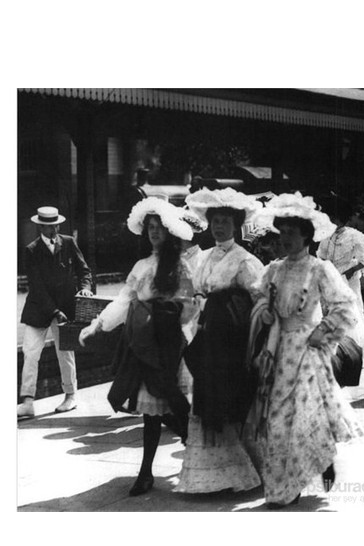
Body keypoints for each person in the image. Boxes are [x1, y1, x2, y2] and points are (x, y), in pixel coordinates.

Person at [248, 193, 360, 508]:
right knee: (277, 420)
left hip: (309, 352)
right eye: (281, 232)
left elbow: (344, 307)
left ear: (307, 236)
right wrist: (265, 312)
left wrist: (321, 332)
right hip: (278, 349)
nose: (284, 238)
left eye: (292, 233)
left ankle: (309, 471)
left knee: (304, 416)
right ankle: (284, 484)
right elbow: (259, 300)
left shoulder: (320, 269)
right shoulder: (273, 269)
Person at [79, 197, 197, 496]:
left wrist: (175, 322)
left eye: (159, 227)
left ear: (169, 231)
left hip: (169, 342)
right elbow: (124, 300)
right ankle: (146, 472)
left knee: (170, 399)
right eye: (150, 228)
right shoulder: (142, 265)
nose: (154, 232)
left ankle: (193, 445)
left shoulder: (180, 266)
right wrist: (98, 325)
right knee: (152, 412)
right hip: (144, 341)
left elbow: (190, 307)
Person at [175, 187, 264, 494]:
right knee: (206, 399)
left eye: (225, 221)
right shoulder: (203, 258)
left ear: (236, 224)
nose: (219, 227)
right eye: (215, 221)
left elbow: (258, 300)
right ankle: (210, 476)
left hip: (232, 340)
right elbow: (197, 291)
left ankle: (241, 471)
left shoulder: (245, 260)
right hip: (207, 337)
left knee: (231, 401)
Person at [18, 206, 93, 418]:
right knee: (31, 352)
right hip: (40, 308)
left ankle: (70, 396)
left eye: (56, 225)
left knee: (65, 352)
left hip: (66, 308)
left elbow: (84, 270)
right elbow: (36, 285)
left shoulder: (68, 242)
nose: (54, 229)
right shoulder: (31, 250)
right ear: (41, 226)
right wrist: (54, 310)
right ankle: (27, 402)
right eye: (50, 226)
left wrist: (85, 288)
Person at [317, 193, 364, 355]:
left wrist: (351, 271)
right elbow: (320, 255)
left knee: (349, 311)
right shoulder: (325, 236)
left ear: (339, 218)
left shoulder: (354, 236)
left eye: (332, 218)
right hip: (329, 278)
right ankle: (333, 350)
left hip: (347, 280)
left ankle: (353, 350)